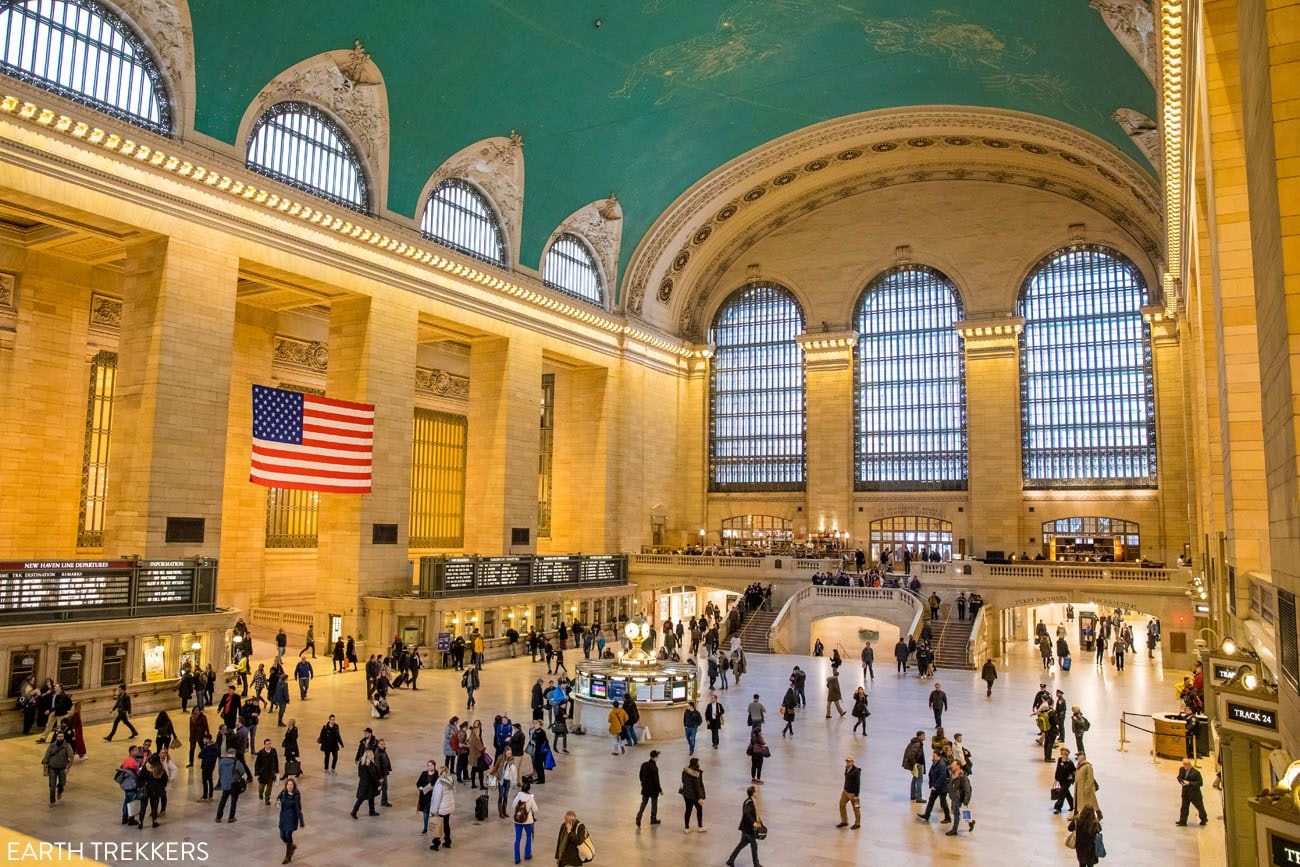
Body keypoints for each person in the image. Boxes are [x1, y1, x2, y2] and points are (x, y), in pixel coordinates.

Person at [725, 785, 762, 867]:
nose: (757, 793)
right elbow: (746, 813)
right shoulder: (749, 802)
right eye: (756, 791)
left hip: (746, 828)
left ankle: (730, 860)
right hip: (748, 829)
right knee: (754, 846)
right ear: (752, 793)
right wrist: (753, 823)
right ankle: (756, 864)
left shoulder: (750, 801)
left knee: (742, 844)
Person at [917, 750, 951, 823]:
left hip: (941, 788)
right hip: (935, 787)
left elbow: (942, 777)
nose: (933, 757)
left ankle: (948, 818)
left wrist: (935, 785)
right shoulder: (935, 763)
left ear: (939, 757)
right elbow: (931, 773)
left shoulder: (942, 764)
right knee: (931, 801)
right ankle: (927, 815)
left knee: (943, 803)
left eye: (934, 756)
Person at [41, 729, 74, 805]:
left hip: (62, 768)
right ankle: (52, 801)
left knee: (62, 783)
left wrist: (68, 767)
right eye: (59, 737)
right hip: (52, 768)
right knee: (52, 786)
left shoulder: (67, 746)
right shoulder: (52, 746)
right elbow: (47, 756)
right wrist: (45, 766)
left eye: (62, 737)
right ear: (56, 737)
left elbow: (71, 756)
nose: (60, 738)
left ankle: (60, 790)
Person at [215, 748, 248, 823]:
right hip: (234, 784)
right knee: (233, 801)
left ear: (227, 753)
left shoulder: (222, 761)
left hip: (225, 784)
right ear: (234, 753)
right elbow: (242, 771)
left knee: (223, 800)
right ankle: (231, 817)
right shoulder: (236, 762)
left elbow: (220, 772)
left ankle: (218, 817)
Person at [427, 765, 455, 850]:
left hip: (441, 808)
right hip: (448, 807)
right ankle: (448, 841)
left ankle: (436, 844)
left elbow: (437, 798)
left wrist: (434, 810)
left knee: (438, 825)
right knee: (446, 824)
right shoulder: (450, 779)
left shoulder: (440, 783)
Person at [511, 777, 538, 864]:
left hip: (518, 820)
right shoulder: (531, 797)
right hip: (528, 821)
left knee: (517, 839)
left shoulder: (518, 795)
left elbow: (513, 805)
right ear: (529, 789)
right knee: (529, 837)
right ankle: (527, 854)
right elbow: (535, 809)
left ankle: (517, 858)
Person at [276, 778, 304, 863]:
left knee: (288, 835)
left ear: (294, 786)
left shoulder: (296, 795)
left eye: (291, 785)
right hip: (283, 817)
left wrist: (301, 820)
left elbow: (298, 809)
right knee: (282, 835)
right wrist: (277, 803)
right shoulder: (284, 792)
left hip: (292, 818)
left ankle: (288, 856)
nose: (289, 786)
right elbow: (278, 798)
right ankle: (291, 846)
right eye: (288, 784)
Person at [1176, 758, 1208, 826]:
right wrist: (1181, 782)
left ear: (1190, 764)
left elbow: (1200, 783)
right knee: (1184, 808)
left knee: (1199, 807)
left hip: (1195, 794)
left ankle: (1204, 819)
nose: (1184, 766)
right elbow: (1179, 777)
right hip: (1185, 793)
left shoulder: (1196, 772)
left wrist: (1189, 783)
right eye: (1184, 764)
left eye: (1186, 764)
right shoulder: (1182, 769)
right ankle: (1183, 821)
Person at [351, 750, 381, 818]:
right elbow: (373, 776)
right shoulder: (370, 765)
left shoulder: (361, 763)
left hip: (363, 783)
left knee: (369, 797)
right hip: (369, 785)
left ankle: (371, 811)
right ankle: (354, 811)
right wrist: (378, 784)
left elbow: (359, 774)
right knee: (362, 798)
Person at [491, 748, 519, 819]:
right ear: (505, 752)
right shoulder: (500, 758)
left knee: (506, 796)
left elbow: (513, 769)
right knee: (501, 796)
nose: (509, 755)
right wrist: (491, 774)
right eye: (508, 753)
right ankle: (500, 813)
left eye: (510, 753)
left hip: (508, 780)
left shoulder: (512, 759)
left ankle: (504, 811)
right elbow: (496, 767)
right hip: (501, 779)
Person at [946, 760, 973, 836]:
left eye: (953, 764)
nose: (952, 765)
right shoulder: (953, 772)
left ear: (958, 766)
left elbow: (967, 790)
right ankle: (971, 822)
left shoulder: (963, 777)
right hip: (953, 796)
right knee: (958, 812)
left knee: (956, 814)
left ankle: (954, 830)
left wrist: (966, 801)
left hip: (958, 798)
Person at [637, 749, 663, 827]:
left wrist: (643, 784)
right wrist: (660, 790)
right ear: (654, 757)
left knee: (644, 803)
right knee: (654, 804)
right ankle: (653, 819)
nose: (658, 758)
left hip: (645, 789)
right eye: (657, 756)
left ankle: (639, 816)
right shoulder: (654, 768)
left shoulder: (644, 764)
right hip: (653, 790)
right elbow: (656, 781)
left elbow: (640, 776)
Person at [680, 757, 706, 833]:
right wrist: (700, 797)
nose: (699, 764)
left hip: (686, 794)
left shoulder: (685, 771)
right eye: (698, 762)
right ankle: (700, 826)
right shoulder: (696, 773)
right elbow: (697, 786)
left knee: (688, 810)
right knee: (699, 810)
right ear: (696, 764)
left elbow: (683, 780)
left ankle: (687, 828)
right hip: (694, 796)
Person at [1073, 752, 1101, 818]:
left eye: (1079, 756)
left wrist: (1087, 788)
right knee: (1079, 802)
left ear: (1083, 757)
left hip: (1085, 788)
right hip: (1079, 787)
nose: (1077, 757)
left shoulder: (1087, 766)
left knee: (1091, 802)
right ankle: (1075, 814)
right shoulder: (1079, 765)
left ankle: (1099, 814)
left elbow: (1090, 778)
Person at [836, 756, 861, 829]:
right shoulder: (846, 768)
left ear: (852, 762)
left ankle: (857, 824)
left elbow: (858, 783)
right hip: (845, 792)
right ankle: (844, 821)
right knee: (841, 805)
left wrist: (856, 795)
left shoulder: (856, 771)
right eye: (847, 761)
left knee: (856, 808)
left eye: (849, 761)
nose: (847, 762)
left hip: (853, 794)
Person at [903, 730, 926, 803]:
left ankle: (913, 795)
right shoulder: (917, 743)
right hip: (918, 764)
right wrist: (915, 764)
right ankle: (919, 798)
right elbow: (911, 755)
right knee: (920, 781)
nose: (924, 737)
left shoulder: (917, 742)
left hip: (917, 764)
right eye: (923, 735)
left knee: (915, 779)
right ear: (919, 736)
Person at [254, 738, 280, 804]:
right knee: (261, 788)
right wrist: (257, 773)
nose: (268, 745)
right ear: (264, 745)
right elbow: (257, 763)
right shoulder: (261, 752)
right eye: (267, 744)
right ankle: (260, 793)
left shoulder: (274, 751)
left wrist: (277, 771)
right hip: (263, 774)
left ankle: (267, 798)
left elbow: (276, 761)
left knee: (269, 787)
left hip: (271, 773)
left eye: (269, 744)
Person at [1053, 746, 1076, 814]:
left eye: (1064, 754)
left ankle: (1058, 808)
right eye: (1062, 754)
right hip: (1061, 780)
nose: (1063, 756)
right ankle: (1072, 805)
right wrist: (1056, 777)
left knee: (1061, 794)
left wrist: (1071, 778)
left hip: (1067, 781)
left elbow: (1074, 772)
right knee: (1066, 793)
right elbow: (1058, 768)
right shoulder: (1060, 759)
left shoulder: (1070, 763)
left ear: (1067, 755)